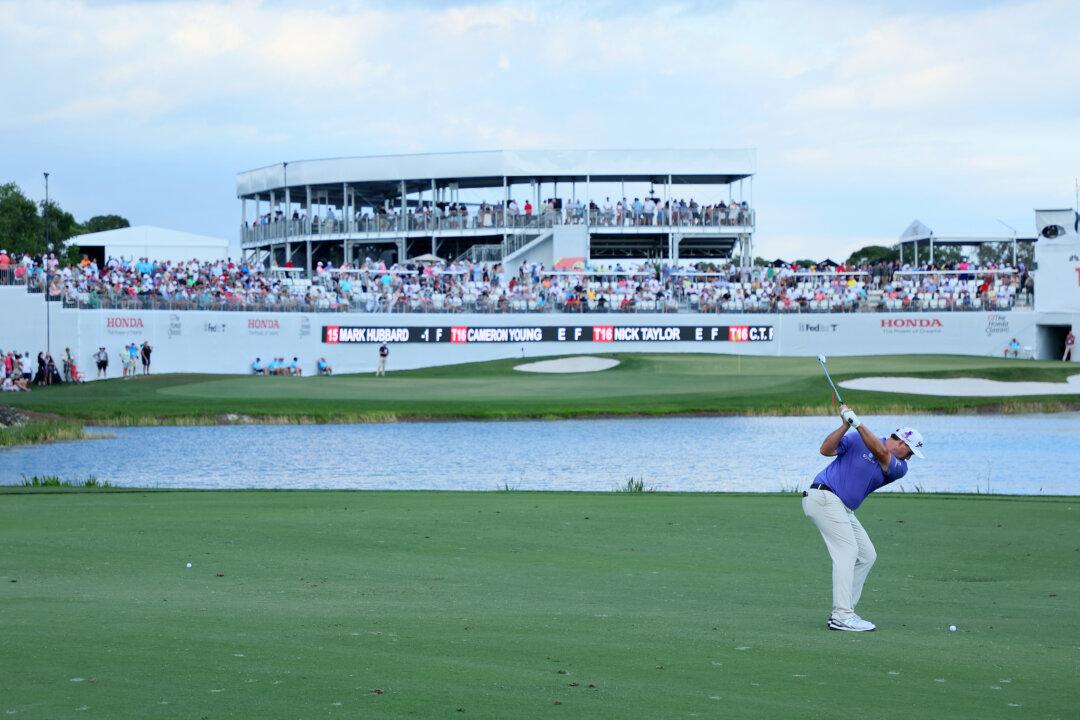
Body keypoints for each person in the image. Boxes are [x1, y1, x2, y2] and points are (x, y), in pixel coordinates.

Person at [803, 403, 924, 632]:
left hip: (843, 508)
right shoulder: (857, 438)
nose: (910, 458)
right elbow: (825, 450)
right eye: (910, 453)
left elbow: (880, 452)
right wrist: (845, 425)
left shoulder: (899, 467)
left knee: (867, 555)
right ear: (902, 443)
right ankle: (842, 616)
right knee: (848, 552)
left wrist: (857, 423)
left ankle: (845, 610)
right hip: (824, 497)